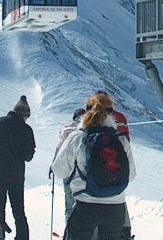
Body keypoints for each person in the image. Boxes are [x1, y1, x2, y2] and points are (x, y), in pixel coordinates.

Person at [52, 92, 136, 240]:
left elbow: (59, 170)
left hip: (86, 206)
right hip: (116, 209)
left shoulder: (78, 137)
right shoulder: (120, 139)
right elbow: (131, 175)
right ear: (111, 113)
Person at [0, 95, 36, 240]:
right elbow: (28, 156)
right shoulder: (26, 130)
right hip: (16, 175)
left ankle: (0, 234)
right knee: (18, 209)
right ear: (24, 115)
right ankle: (22, 237)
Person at [96, 90, 133, 240]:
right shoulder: (121, 118)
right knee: (118, 197)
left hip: (99, 165)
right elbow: (127, 141)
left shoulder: (94, 117)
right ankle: (124, 230)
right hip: (119, 167)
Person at [52, 107, 86, 220]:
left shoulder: (65, 132)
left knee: (69, 205)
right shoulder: (85, 132)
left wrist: (53, 165)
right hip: (81, 174)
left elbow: (59, 150)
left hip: (66, 172)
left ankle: (68, 231)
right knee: (82, 205)